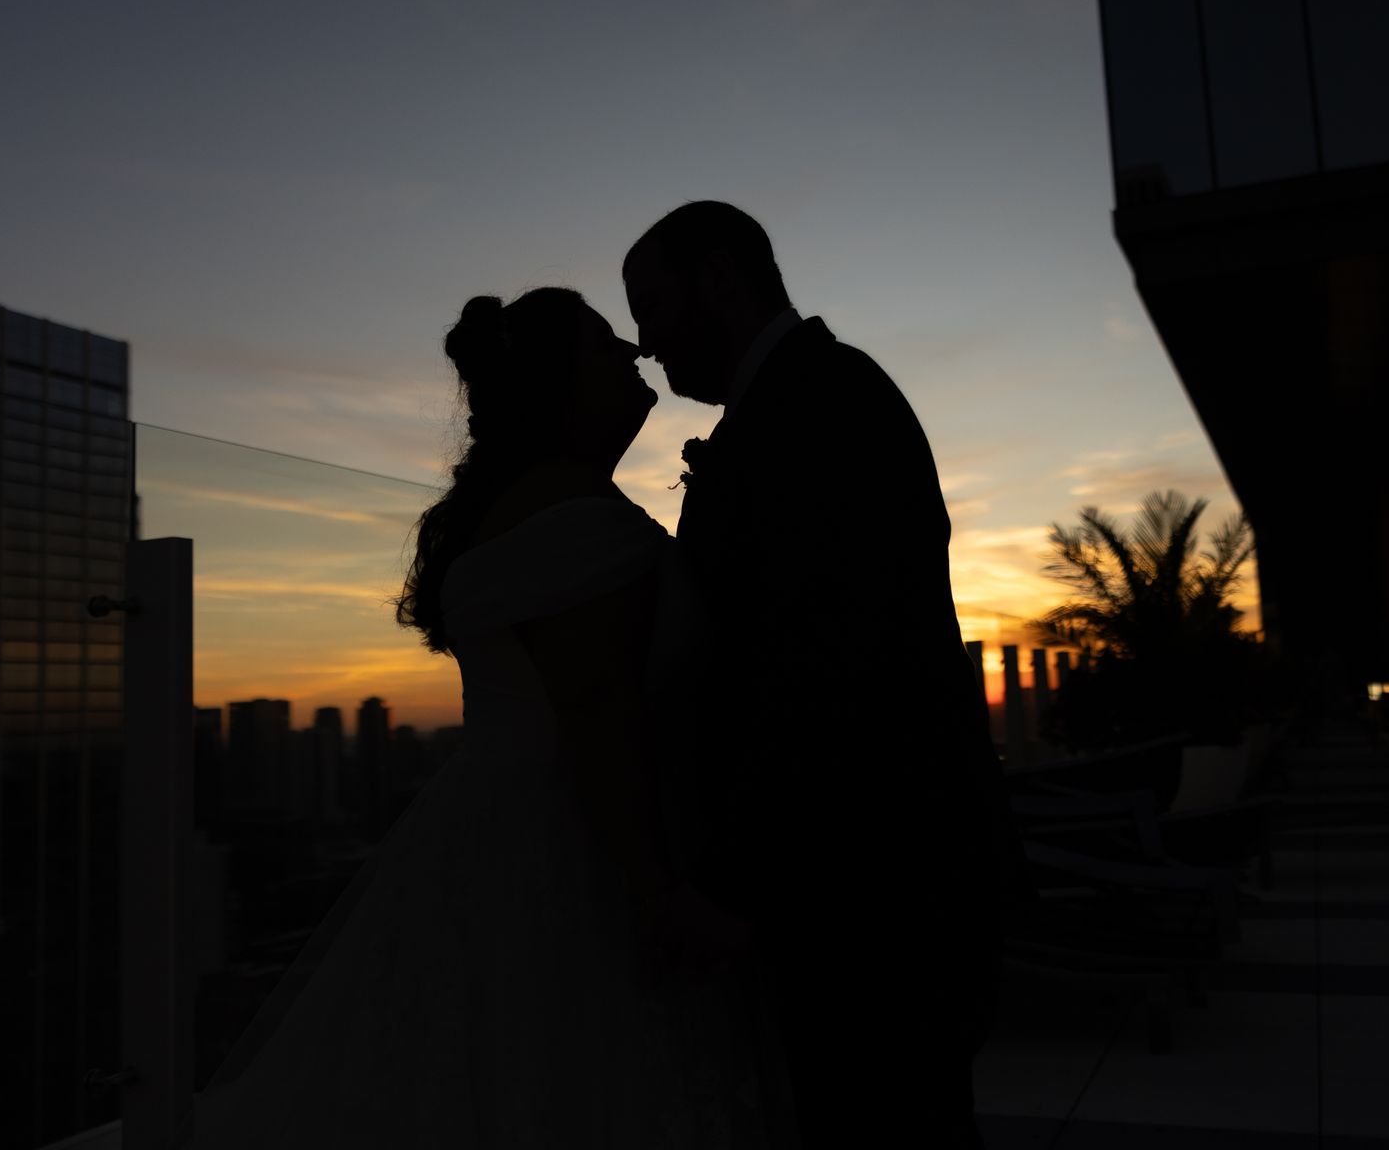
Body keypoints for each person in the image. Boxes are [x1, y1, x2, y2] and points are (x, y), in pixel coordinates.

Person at [186, 287, 792, 1148]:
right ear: (558, 386)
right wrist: (660, 897)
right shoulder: (578, 526)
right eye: (600, 342)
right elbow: (599, 722)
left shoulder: (528, 515)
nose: (630, 350)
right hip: (581, 849)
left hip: (504, 839)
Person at [624, 202, 1013, 1147]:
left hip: (871, 890)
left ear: (718, 279)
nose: (646, 345)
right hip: (855, 879)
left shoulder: (823, 403)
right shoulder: (808, 400)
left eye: (653, 309)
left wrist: (730, 882)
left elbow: (819, 664)